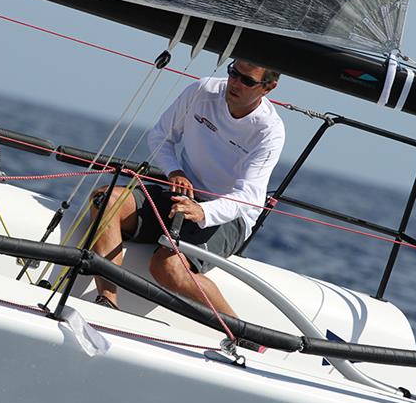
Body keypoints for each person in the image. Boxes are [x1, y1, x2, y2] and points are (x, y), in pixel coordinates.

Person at [90, 59, 285, 317]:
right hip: (180, 195)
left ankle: (243, 334)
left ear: (268, 87)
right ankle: (107, 302)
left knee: (167, 268)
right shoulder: (202, 91)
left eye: (247, 80)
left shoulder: (269, 130)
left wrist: (203, 212)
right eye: (233, 73)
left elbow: (249, 197)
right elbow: (160, 136)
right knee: (105, 198)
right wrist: (175, 172)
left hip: (228, 216)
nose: (235, 83)